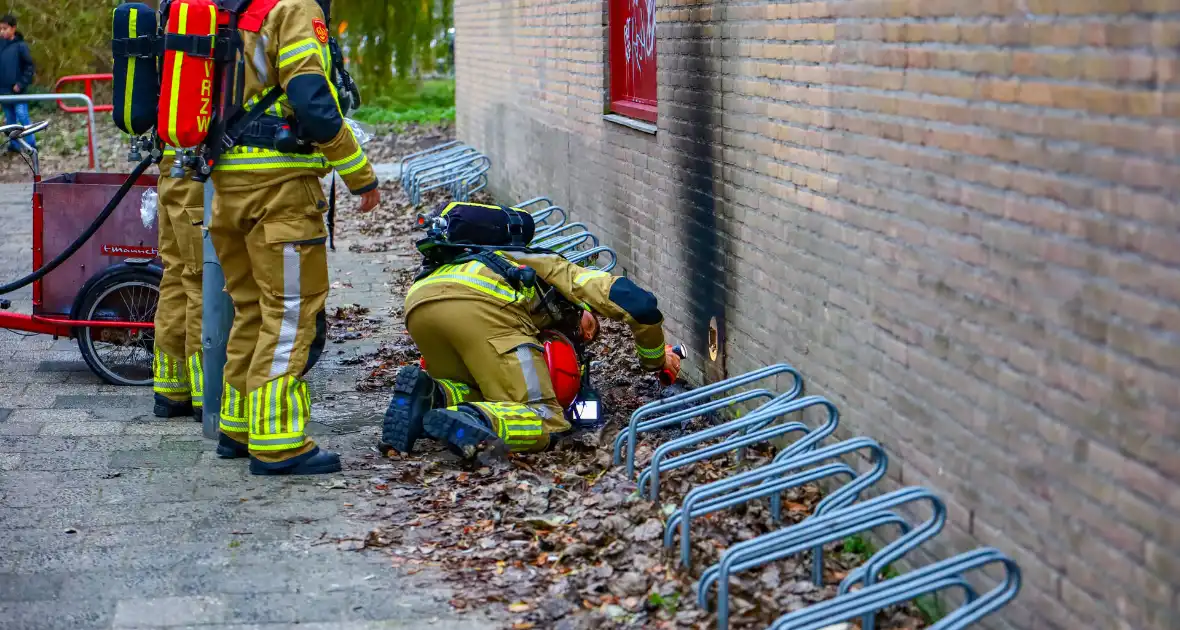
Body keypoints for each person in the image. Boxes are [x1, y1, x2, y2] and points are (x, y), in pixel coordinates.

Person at [208, 0, 380, 475]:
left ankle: (239, 426)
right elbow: (311, 97)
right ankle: (278, 443)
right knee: (289, 314)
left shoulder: (236, 9)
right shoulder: (294, 8)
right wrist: (359, 171)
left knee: (252, 309)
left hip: (229, 185)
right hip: (279, 189)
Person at [380, 202, 681, 460]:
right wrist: (655, 361)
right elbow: (639, 305)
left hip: (420, 301)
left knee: (479, 389)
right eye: (592, 326)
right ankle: (475, 421)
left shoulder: (463, 260)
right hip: (483, 306)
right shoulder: (536, 262)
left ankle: (429, 396)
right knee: (547, 419)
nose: (589, 333)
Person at [150, 152, 206, 421]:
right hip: (198, 177)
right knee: (202, 282)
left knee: (175, 277)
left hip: (170, 173)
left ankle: (171, 391)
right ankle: (206, 392)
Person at [0, 14, 35, 152]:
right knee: (10, 120)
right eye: (0, 29)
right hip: (3, 90)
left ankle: (31, 144)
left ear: (13, 28)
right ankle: (14, 145)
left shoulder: (21, 46)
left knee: (22, 116)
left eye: (5, 28)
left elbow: (29, 67)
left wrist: (20, 84)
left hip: (18, 91)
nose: (2, 31)